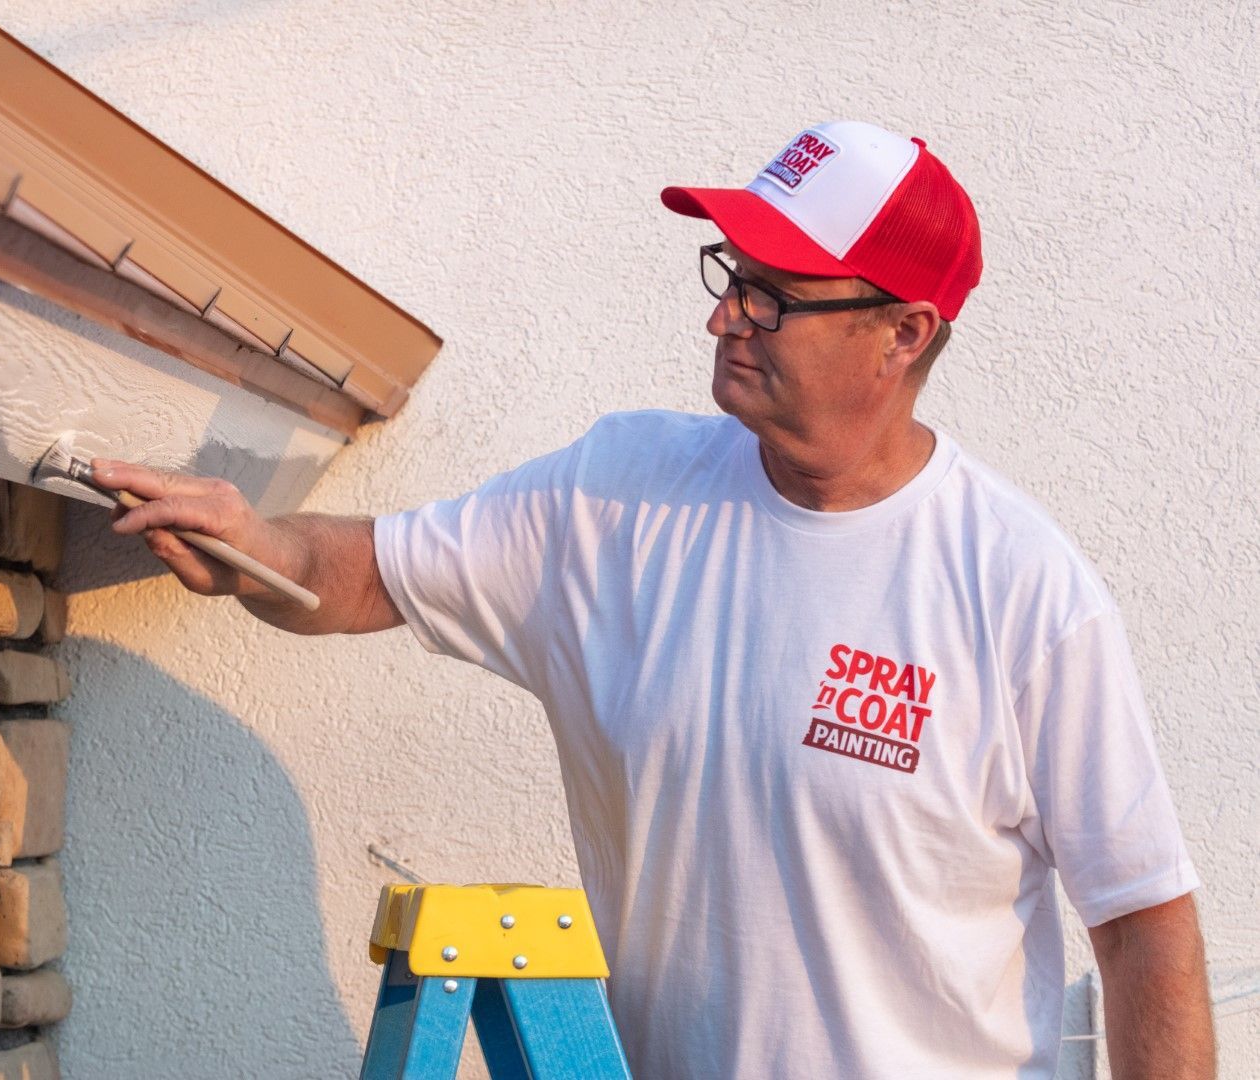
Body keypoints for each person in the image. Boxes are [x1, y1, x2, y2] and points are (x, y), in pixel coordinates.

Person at [91, 120, 1214, 1078]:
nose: (727, 319)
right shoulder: (618, 499)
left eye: (775, 298)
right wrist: (256, 543)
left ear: (903, 333)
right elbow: (363, 575)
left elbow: (1144, 924)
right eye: (732, 276)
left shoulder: (1019, 587)